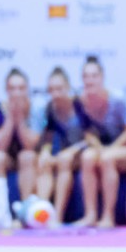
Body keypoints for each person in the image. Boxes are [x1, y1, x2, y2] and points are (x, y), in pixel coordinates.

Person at [75, 55, 126, 229]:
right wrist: (100, 149)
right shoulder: (80, 102)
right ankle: (90, 214)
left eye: (94, 76)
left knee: (107, 159)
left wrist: (109, 150)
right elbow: (87, 133)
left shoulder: (117, 99)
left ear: (102, 77)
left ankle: (108, 216)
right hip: (103, 147)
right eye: (86, 76)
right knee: (87, 157)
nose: (90, 80)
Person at [0, 67, 42, 218]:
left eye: (21, 88)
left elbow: (30, 144)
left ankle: (25, 212)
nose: (17, 93)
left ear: (27, 89)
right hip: (7, 157)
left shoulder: (36, 109)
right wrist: (10, 117)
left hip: (29, 157)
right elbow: (0, 145)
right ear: (6, 90)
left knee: (27, 156)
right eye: (12, 88)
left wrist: (20, 118)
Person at [37, 66, 89, 218]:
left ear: (68, 87)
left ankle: (57, 216)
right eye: (51, 90)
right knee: (44, 162)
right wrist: (45, 152)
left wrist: (72, 151)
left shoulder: (80, 105)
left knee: (64, 161)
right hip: (65, 153)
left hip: (84, 150)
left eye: (59, 89)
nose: (56, 94)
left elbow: (92, 138)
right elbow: (47, 136)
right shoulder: (51, 108)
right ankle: (41, 211)